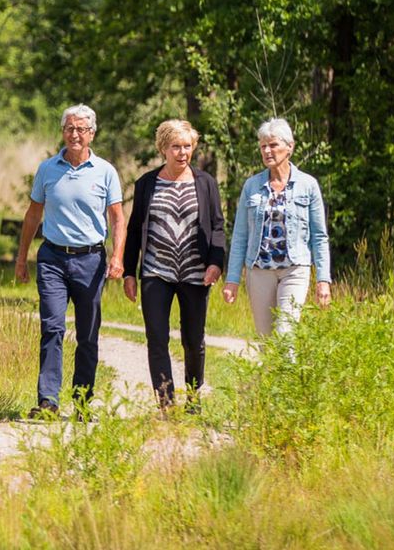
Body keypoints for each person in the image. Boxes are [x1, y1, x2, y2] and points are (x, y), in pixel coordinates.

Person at [13, 104, 124, 418]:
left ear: (91, 133)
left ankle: (83, 402)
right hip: (52, 259)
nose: (74, 134)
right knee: (52, 327)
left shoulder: (105, 171)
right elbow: (33, 214)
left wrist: (117, 256)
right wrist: (22, 258)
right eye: (69, 129)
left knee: (88, 333)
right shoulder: (48, 169)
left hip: (90, 260)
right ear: (62, 132)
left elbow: (117, 219)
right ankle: (48, 401)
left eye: (81, 129)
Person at [122, 119, 225, 412]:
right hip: (156, 271)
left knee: (194, 340)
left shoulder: (205, 183)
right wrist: (130, 272)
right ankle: (166, 402)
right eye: (176, 147)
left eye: (187, 146)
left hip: (195, 273)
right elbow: (134, 230)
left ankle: (193, 398)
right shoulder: (147, 183)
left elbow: (217, 226)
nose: (182, 152)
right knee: (156, 337)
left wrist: (216, 263)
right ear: (163, 149)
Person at [223, 118, 331, 339]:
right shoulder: (251, 186)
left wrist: (323, 279)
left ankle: (286, 374)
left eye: (273, 145)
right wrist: (232, 279)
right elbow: (240, 235)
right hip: (259, 271)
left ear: (289, 147)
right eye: (263, 146)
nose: (267, 151)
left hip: (295, 269)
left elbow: (319, 236)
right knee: (266, 340)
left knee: (285, 335)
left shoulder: (308, 185)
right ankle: (271, 375)